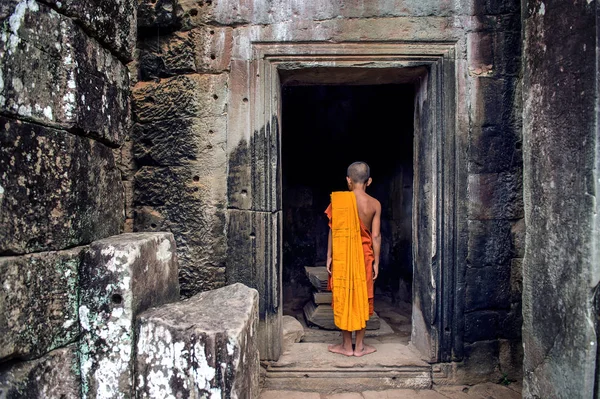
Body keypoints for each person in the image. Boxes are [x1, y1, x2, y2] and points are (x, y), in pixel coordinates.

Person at [325, 161, 381, 357]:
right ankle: (361, 346)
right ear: (369, 181)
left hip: (342, 256)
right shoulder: (374, 204)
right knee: (362, 297)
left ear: (348, 180)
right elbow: (375, 236)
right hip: (365, 257)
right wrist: (377, 262)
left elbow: (333, 230)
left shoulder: (339, 202)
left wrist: (329, 256)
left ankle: (346, 346)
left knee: (344, 295)